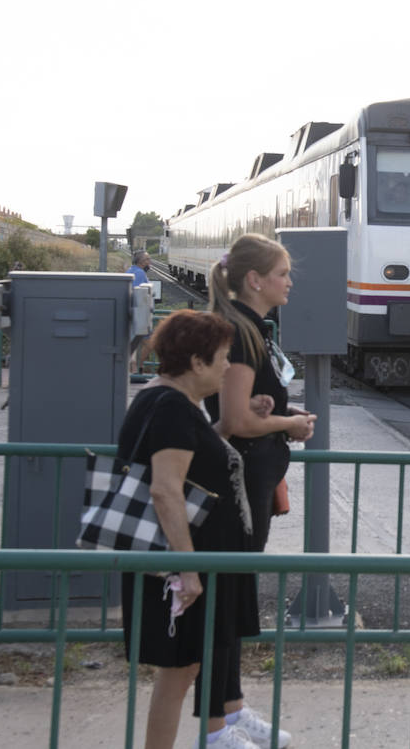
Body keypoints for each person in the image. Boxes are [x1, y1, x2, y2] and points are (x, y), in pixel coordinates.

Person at [119, 308, 265, 749]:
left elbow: (194, 457)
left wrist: (230, 423)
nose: (227, 369)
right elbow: (166, 490)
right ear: (197, 363)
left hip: (190, 562)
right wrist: (187, 570)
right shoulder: (172, 409)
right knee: (179, 669)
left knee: (182, 669)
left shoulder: (170, 401)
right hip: (183, 566)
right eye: (222, 359)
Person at [203, 234, 316, 749]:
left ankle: (231, 709)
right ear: (255, 280)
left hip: (252, 480)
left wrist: (278, 420)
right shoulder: (241, 331)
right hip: (239, 484)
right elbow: (233, 419)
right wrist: (287, 424)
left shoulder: (249, 328)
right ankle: (216, 727)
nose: (290, 281)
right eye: (283, 273)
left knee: (234, 598)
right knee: (224, 601)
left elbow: (249, 410)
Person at [127, 250, 154, 377]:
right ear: (142, 262)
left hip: (131, 313)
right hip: (140, 315)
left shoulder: (130, 270)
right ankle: (137, 368)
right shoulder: (140, 273)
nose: (149, 262)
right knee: (149, 344)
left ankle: (136, 367)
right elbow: (140, 295)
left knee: (134, 344)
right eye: (148, 259)